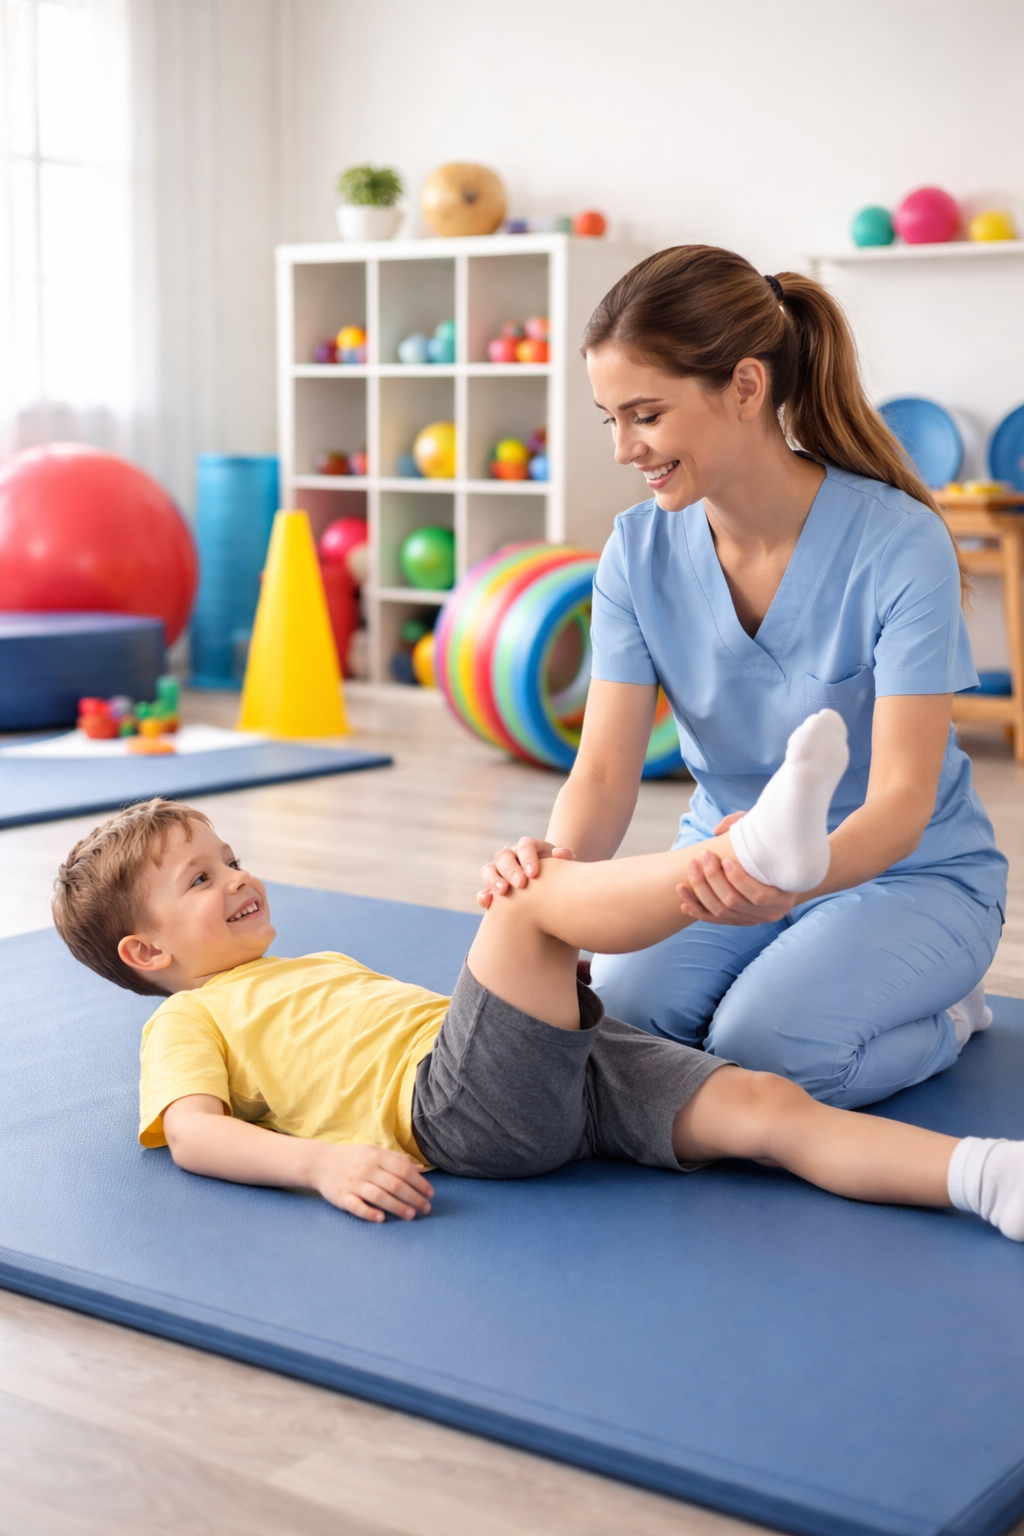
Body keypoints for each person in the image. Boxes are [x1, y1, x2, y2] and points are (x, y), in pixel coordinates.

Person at [479, 244, 1007, 1110]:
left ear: (746, 387)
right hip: (720, 863)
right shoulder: (635, 552)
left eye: (645, 414)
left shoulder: (899, 543)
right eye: (609, 419)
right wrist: (559, 875)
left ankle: (952, 1014)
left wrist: (790, 873)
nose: (624, 448)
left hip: (909, 874)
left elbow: (903, 799)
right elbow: (604, 771)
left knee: (762, 1050)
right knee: (623, 1021)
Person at [52, 780, 1024, 1240]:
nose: (237, 878)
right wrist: (321, 1165)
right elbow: (193, 1135)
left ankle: (988, 1177)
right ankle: (740, 862)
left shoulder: (306, 963)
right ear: (147, 953)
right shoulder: (186, 1020)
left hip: (554, 1071)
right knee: (522, 907)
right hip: (456, 1110)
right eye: (201, 879)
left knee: (768, 1105)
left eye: (229, 858)